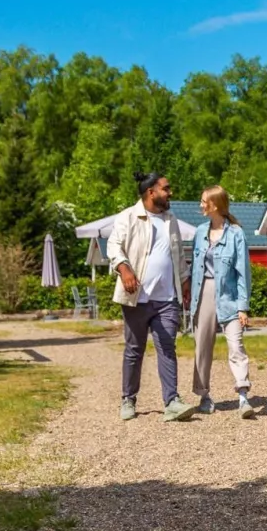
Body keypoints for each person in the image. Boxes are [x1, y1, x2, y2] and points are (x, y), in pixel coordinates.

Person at [107, 172, 194, 422]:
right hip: (137, 298)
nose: (171, 193)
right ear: (151, 192)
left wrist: (185, 280)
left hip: (166, 298)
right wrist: (124, 269)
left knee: (167, 346)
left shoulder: (171, 219)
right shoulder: (128, 217)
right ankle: (128, 399)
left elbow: (177, 254)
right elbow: (114, 246)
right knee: (135, 349)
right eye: (166, 188)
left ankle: (172, 401)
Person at [188, 185, 255, 418]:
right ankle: (204, 396)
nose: (200, 205)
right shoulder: (199, 232)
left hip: (229, 296)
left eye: (203, 201)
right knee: (202, 348)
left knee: (236, 345)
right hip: (203, 291)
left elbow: (243, 273)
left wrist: (243, 306)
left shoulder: (236, 234)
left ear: (214, 204)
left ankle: (243, 396)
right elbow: (194, 269)